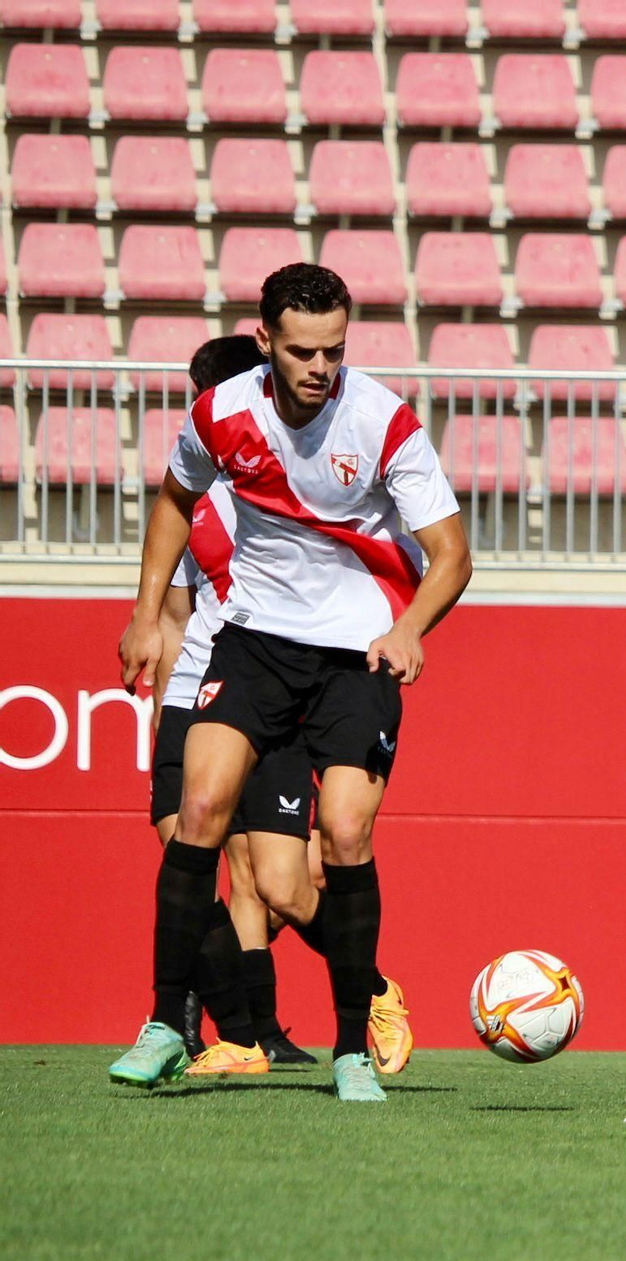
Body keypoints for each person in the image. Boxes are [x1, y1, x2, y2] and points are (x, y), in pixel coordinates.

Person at [110, 264, 473, 1101]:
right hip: (254, 644)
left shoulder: (383, 421)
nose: (320, 366)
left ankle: (351, 1045)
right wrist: (142, 612)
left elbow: (451, 555)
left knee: (344, 835)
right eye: (303, 350)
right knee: (196, 813)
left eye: (334, 350)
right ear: (265, 339)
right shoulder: (222, 412)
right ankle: (169, 1021)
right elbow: (174, 498)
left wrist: (410, 628)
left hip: (359, 652)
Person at [151, 335, 323, 1067]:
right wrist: (164, 714)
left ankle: (269, 1019)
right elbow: (172, 612)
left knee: (268, 878)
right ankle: (232, 1025)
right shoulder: (186, 493)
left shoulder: (284, 489)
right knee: (187, 859)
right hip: (192, 695)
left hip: (259, 689)